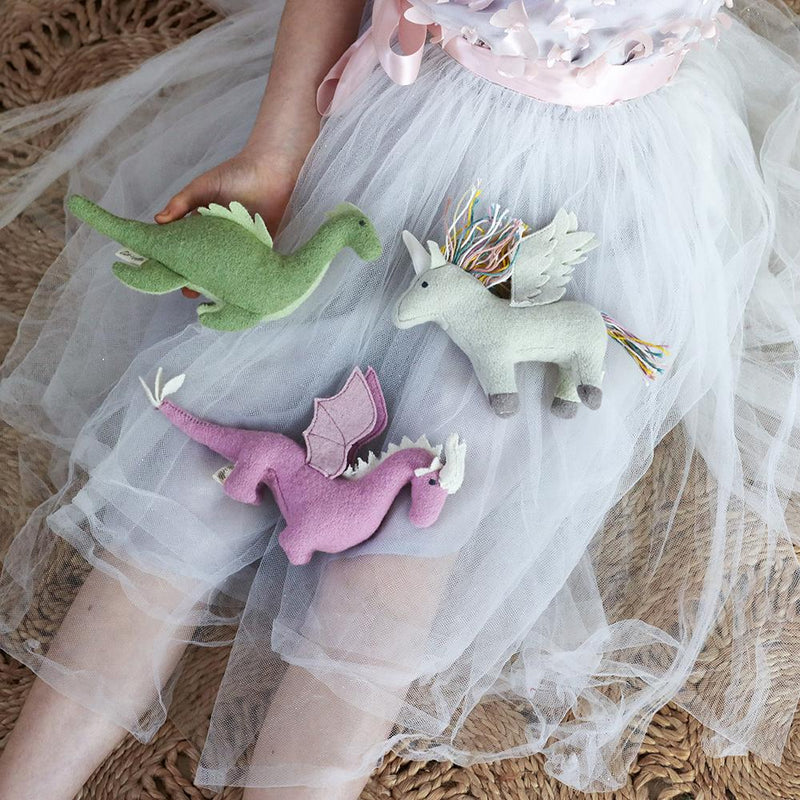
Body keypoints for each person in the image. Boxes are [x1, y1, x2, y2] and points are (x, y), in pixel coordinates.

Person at [0, 1, 799, 797]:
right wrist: (275, 155)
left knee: (408, 538)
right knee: (194, 476)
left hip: (597, 177)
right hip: (410, 136)